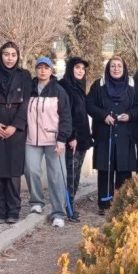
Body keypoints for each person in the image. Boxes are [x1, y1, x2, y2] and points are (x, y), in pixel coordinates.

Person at [87, 56, 138, 215]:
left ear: (124, 68)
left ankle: (121, 205)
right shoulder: (98, 85)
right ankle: (104, 205)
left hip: (126, 135)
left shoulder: (133, 85)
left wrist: (130, 115)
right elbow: (89, 104)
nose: (116, 69)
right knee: (105, 170)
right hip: (105, 135)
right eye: (113, 66)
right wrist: (103, 115)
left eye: (119, 66)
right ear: (108, 68)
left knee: (124, 171)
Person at [25, 57, 73, 228]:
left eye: (46, 68)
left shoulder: (59, 91)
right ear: (36, 69)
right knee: (31, 170)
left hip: (54, 140)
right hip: (32, 139)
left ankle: (58, 212)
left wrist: (62, 139)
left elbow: (66, 117)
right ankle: (36, 202)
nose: (43, 71)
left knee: (56, 176)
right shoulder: (29, 89)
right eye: (40, 67)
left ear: (51, 71)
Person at [0, 42, 31, 225]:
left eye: (13, 54)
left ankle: (13, 210)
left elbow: (26, 102)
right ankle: (1, 211)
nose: (10, 58)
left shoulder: (24, 75)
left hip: (16, 129)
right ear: (1, 55)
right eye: (6, 54)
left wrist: (16, 125)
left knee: (13, 173)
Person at [58, 57, 93, 222]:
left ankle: (70, 206)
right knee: (70, 175)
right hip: (72, 140)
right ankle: (67, 209)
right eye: (77, 67)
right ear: (70, 69)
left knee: (76, 175)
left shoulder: (78, 86)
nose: (80, 71)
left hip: (82, 139)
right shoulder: (64, 87)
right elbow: (66, 114)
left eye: (82, 68)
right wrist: (71, 136)